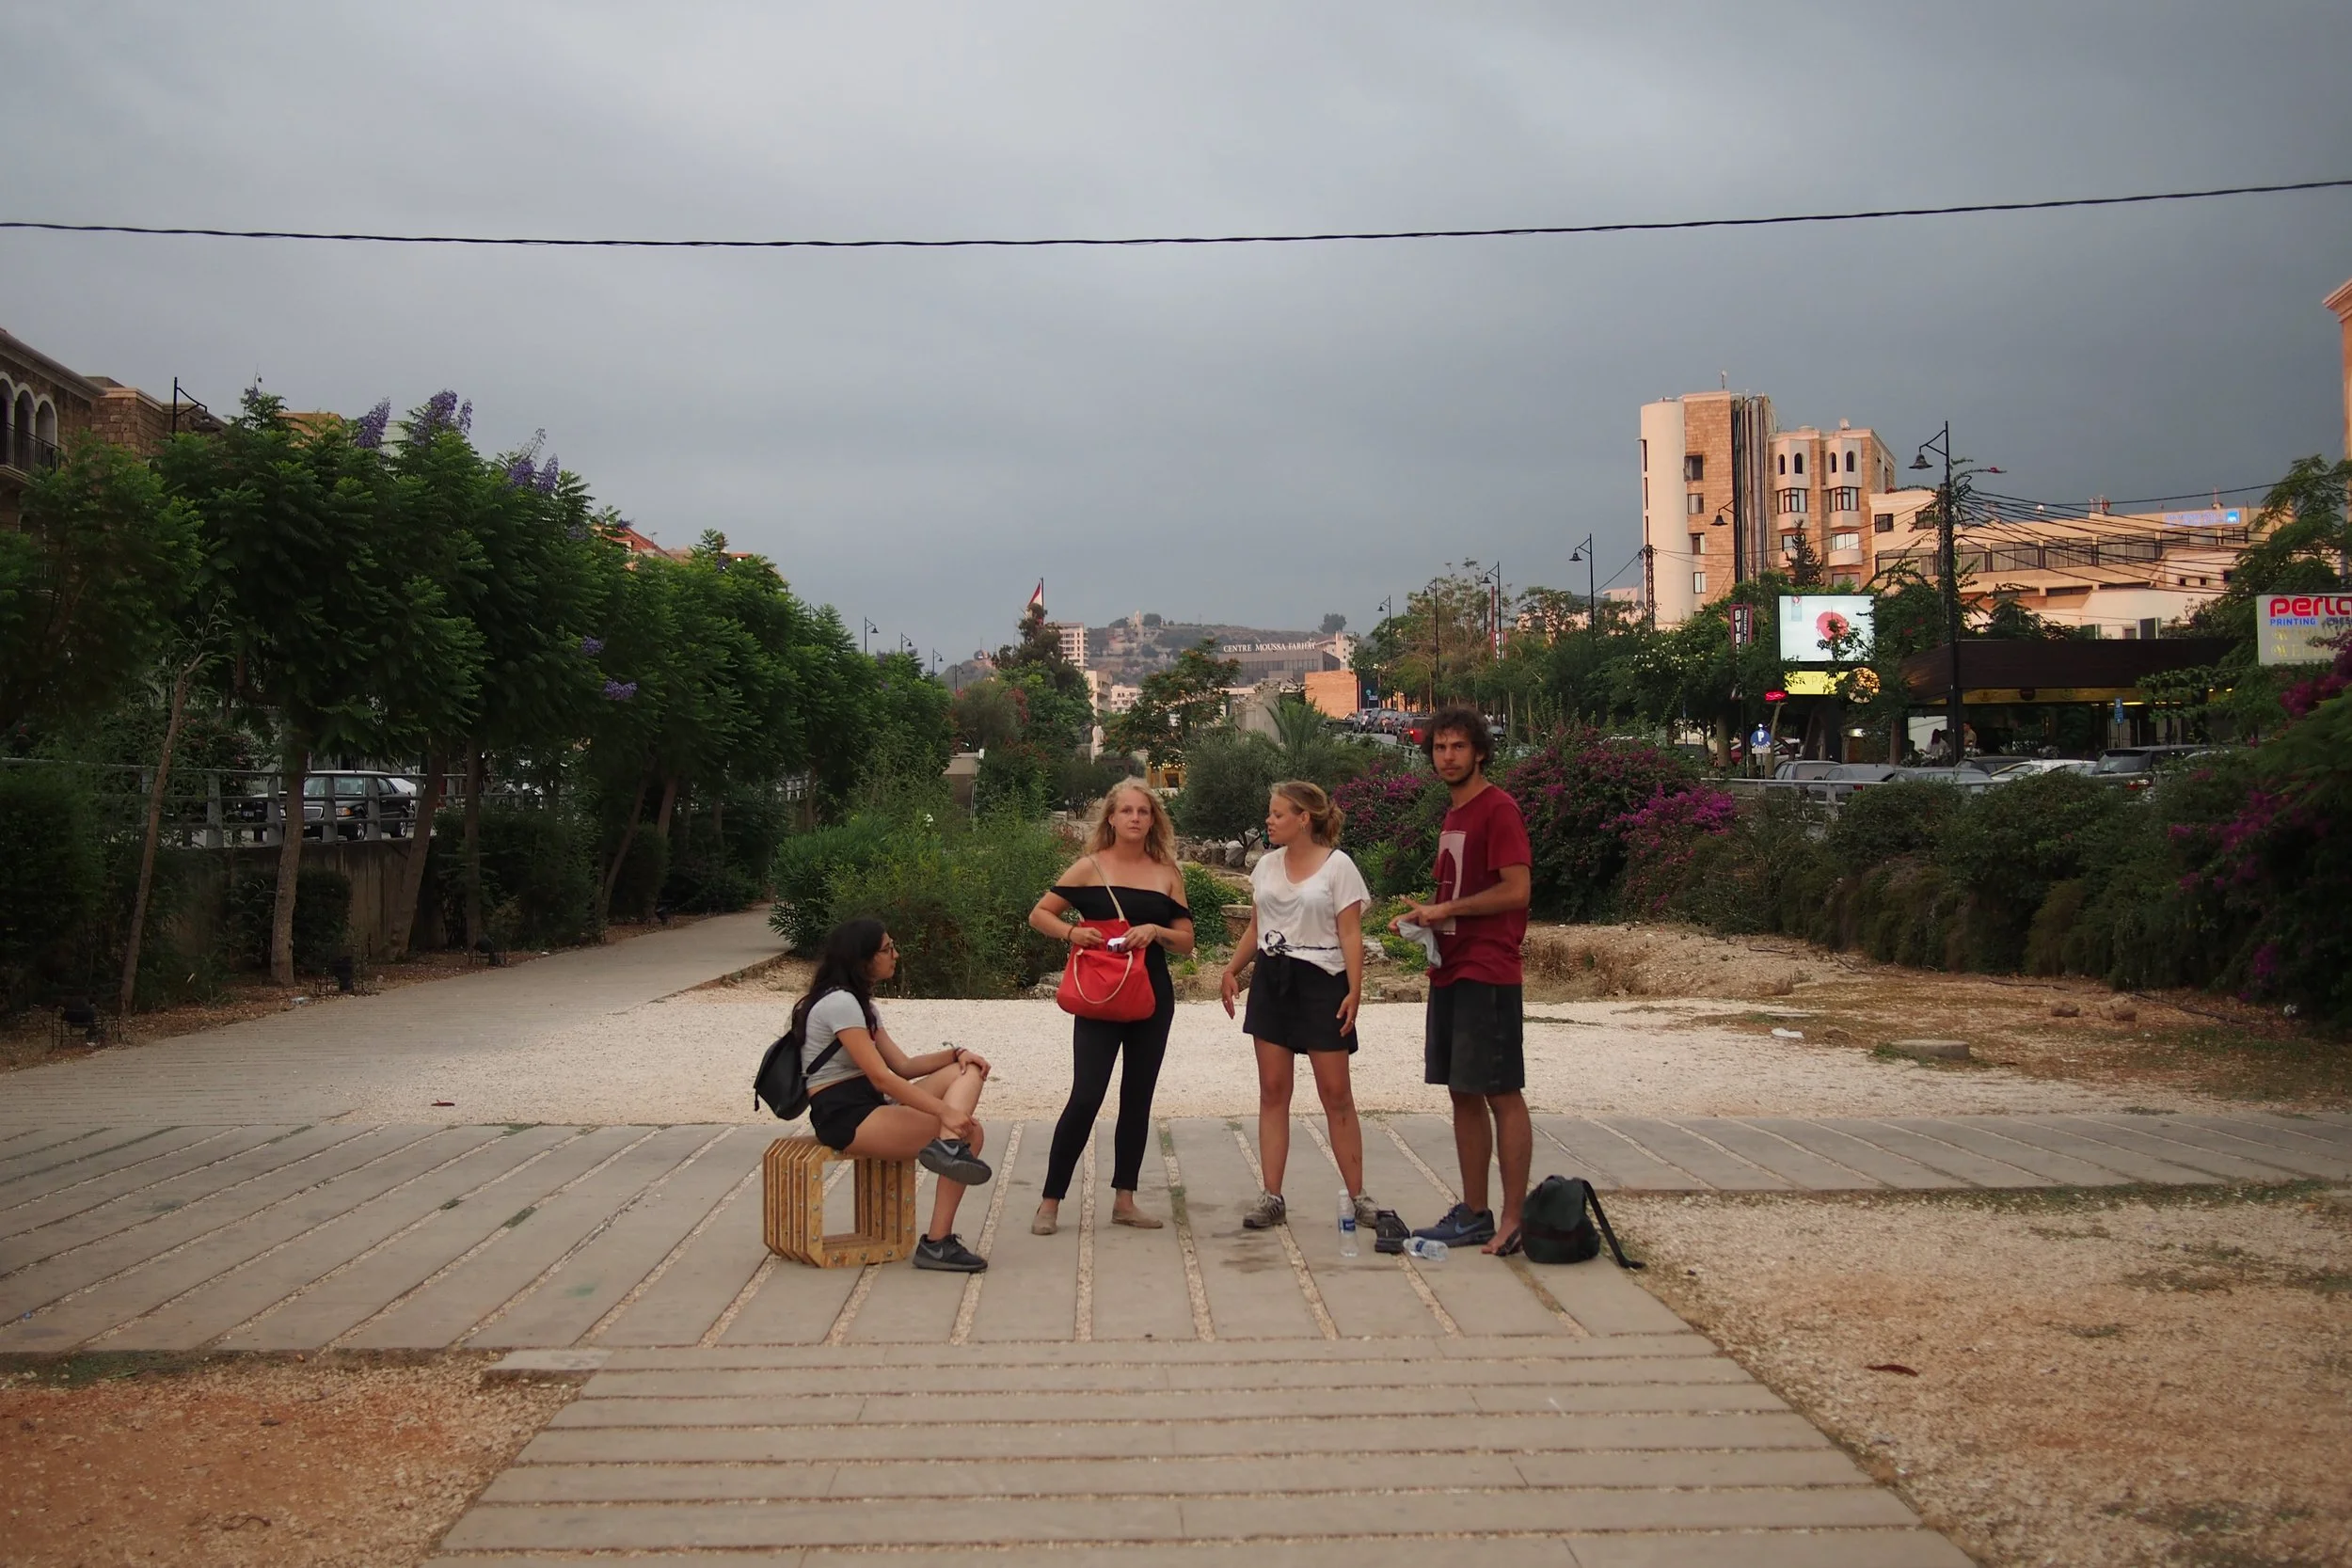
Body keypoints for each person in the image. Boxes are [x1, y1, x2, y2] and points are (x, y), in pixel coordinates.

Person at [1026, 780, 1195, 1236]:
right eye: (1127, 811)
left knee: (1137, 1099)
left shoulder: (1166, 873)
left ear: (1153, 819)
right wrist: (1071, 934)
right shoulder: (1088, 868)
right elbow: (1040, 913)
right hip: (1099, 994)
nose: (1136, 818)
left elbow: (1187, 942)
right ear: (1112, 819)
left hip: (1151, 996)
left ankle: (1125, 1199)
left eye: (1144, 811)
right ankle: (1049, 1201)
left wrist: (1155, 932)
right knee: (1086, 1096)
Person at [1392, 707, 1533, 1257]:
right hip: (1449, 966)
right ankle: (1475, 1212)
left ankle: (1514, 1218)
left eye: (1457, 747)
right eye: (1439, 747)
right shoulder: (1455, 815)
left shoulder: (1497, 810)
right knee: (1462, 1091)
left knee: (1501, 1091)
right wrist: (1425, 917)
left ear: (1479, 751)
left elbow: (1516, 891)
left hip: (1487, 968)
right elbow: (1455, 897)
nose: (1447, 756)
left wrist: (1447, 908)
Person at [796, 918, 995, 1273]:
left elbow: (903, 1066)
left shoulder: (862, 1005)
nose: (896, 955)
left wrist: (957, 1053)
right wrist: (945, 1113)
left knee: (969, 1069)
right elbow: (881, 1077)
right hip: (845, 1115)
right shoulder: (839, 1003)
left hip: (869, 1105)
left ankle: (948, 1146)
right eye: (887, 949)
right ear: (862, 959)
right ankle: (936, 1242)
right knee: (972, 1133)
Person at [1219, 781, 1375, 1231]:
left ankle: (1358, 1196)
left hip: (1323, 981)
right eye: (1270, 813)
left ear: (1303, 818)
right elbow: (1256, 925)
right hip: (1273, 977)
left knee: (1336, 1094)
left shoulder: (1338, 866)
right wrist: (1233, 970)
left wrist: (1355, 989)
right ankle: (1272, 1195)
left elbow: (1350, 933)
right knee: (1272, 1090)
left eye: (1277, 814)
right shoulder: (1266, 866)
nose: (1269, 821)